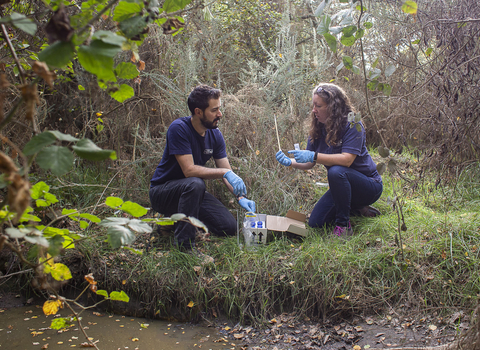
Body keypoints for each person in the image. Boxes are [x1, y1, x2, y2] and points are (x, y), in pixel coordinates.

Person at [149, 84, 256, 254]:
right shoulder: (179, 129)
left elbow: (226, 171)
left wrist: (240, 195)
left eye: (219, 109)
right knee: (195, 183)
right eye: (214, 110)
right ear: (198, 111)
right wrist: (224, 173)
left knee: (228, 227)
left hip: (192, 193)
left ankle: (174, 222)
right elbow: (189, 170)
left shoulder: (215, 134)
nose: (219, 114)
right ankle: (184, 247)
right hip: (163, 192)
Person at [275, 83, 383, 237]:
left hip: (369, 186)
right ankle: (356, 208)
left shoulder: (352, 124)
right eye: (313, 105)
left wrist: (314, 156)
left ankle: (343, 226)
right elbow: (309, 163)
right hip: (342, 186)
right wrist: (290, 162)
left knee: (336, 171)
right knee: (316, 222)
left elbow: (346, 160)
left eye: (318, 105)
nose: (314, 110)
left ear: (333, 107)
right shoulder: (318, 127)